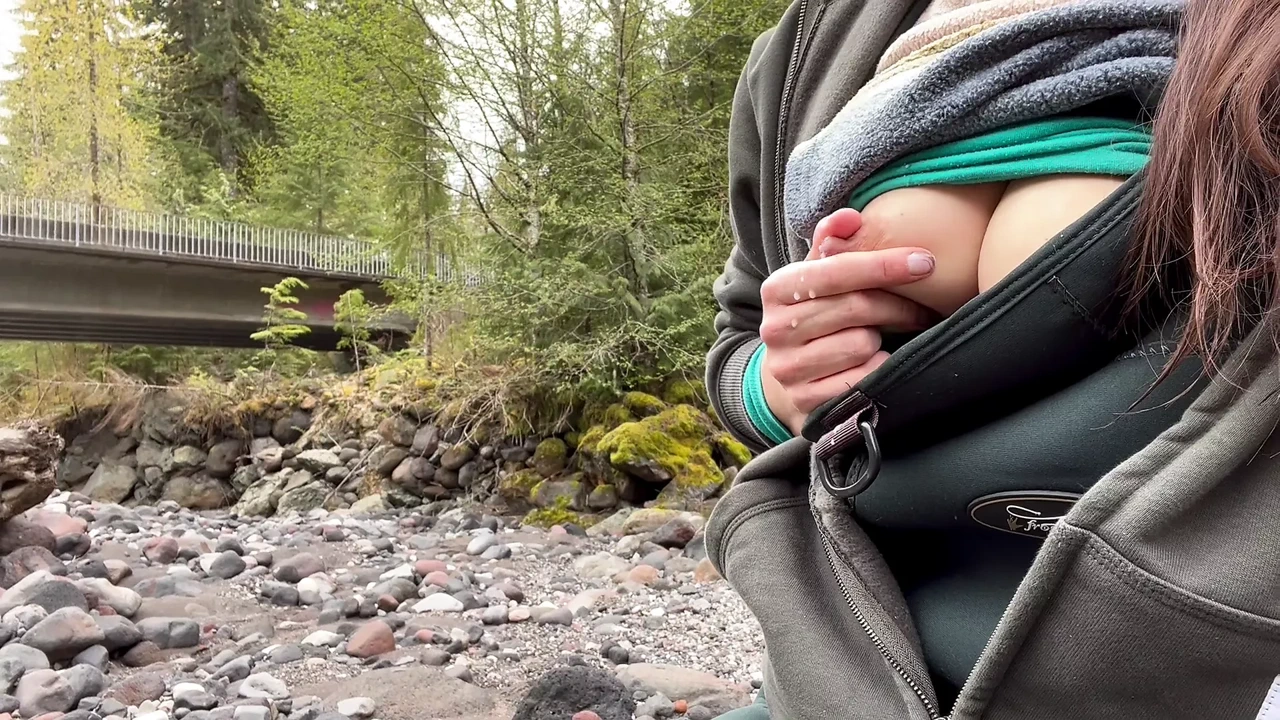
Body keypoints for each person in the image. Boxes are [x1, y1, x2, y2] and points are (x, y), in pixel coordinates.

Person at [707, 0, 1280, 717]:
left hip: (1177, 677)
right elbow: (740, 330)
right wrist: (779, 388)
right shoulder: (809, 41)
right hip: (838, 675)